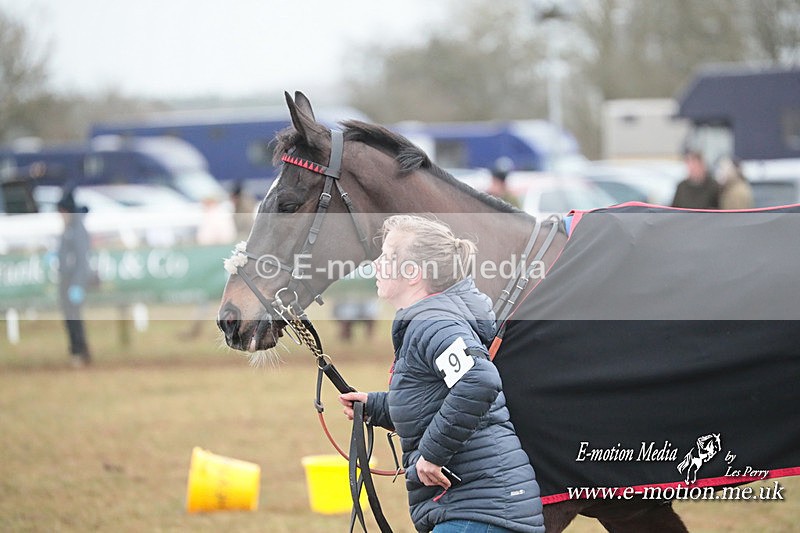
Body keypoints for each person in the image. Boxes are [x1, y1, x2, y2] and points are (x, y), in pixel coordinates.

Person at [338, 215, 545, 533]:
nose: (376, 264)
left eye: (386, 256)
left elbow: (478, 380)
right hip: (479, 507)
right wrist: (376, 406)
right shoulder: (433, 319)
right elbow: (435, 402)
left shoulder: (433, 323)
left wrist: (431, 456)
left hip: (481, 512)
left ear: (413, 274)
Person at [56, 189, 92, 367]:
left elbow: (81, 261)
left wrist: (77, 284)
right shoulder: (68, 228)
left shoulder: (77, 229)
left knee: (74, 318)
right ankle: (77, 350)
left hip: (74, 282)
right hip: (66, 281)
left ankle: (79, 351)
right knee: (70, 318)